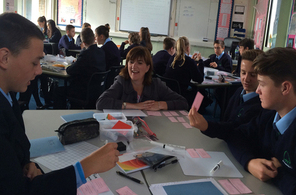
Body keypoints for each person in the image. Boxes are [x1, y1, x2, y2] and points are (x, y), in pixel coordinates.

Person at [0, 12, 119, 194]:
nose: (39, 71)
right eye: (35, 62)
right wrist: (84, 168)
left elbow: (17, 147)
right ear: (4, 58)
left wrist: (25, 164)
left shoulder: (8, 98)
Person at [188, 47, 296, 195]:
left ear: (285, 88)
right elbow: (235, 135)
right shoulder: (269, 116)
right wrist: (250, 162)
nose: (257, 90)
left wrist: (277, 174)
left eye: (262, 84)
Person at [96, 46, 189, 110]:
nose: (133, 66)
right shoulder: (122, 82)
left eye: (140, 63)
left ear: (147, 67)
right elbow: (101, 103)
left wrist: (160, 104)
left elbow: (183, 103)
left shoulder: (156, 84)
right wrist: (135, 106)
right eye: (131, 62)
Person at [54, 27, 106, 109]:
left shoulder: (85, 54)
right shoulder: (101, 52)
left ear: (83, 43)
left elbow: (70, 71)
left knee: (58, 90)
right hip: (97, 90)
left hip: (82, 91)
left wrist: (73, 65)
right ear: (94, 39)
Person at [163, 36, 204, 107]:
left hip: (169, 93)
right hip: (182, 95)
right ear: (188, 48)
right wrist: (200, 62)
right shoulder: (189, 62)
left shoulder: (171, 59)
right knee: (202, 92)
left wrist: (192, 62)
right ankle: (194, 112)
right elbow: (199, 79)